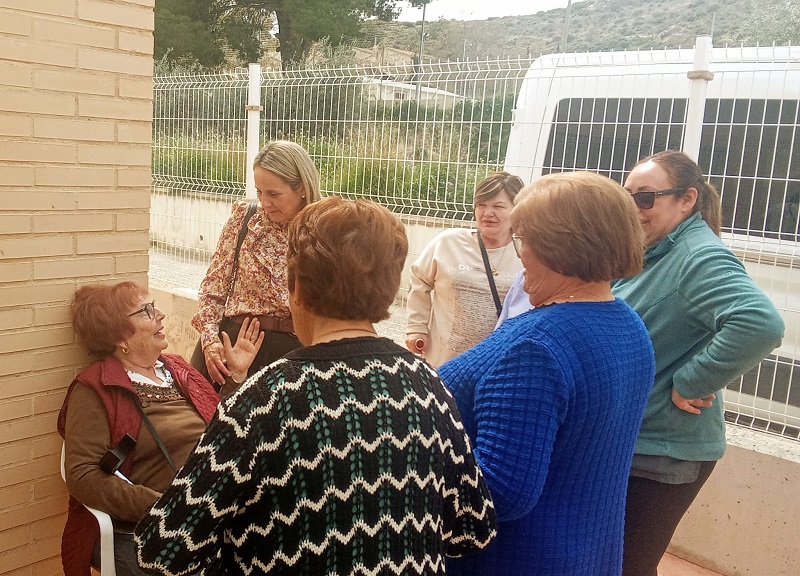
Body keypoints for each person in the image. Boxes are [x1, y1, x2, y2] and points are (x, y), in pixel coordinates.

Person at [136, 197, 498, 575]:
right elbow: (472, 530)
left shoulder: (260, 403)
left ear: (295, 286)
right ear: (391, 289)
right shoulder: (428, 386)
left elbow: (160, 549)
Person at [439, 172, 656, 576]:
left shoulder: (535, 348)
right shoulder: (628, 325)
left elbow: (499, 492)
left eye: (525, 239)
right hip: (586, 553)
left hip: (514, 560)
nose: (520, 254)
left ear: (562, 246)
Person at [613, 150, 785, 576]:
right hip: (639, 441)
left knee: (627, 567)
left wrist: (692, 380)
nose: (634, 207)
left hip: (664, 453)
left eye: (646, 197)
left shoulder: (697, 256)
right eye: (626, 196)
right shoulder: (656, 251)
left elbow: (760, 323)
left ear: (687, 199)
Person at [57, 281, 263, 576]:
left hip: (213, 512)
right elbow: (82, 475)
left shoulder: (177, 370)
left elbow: (221, 427)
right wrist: (163, 505)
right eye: (146, 311)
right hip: (151, 530)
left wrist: (237, 377)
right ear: (119, 336)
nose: (161, 315)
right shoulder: (95, 388)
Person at [190, 140, 321, 389]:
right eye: (259, 191)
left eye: (273, 194)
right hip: (233, 347)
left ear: (302, 188)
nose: (264, 202)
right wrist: (210, 342)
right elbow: (212, 290)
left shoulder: (323, 229)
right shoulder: (246, 218)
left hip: (293, 356)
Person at [405, 171, 524, 367]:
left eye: (498, 206)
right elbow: (419, 278)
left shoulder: (526, 253)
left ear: (517, 209)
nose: (487, 213)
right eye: (481, 205)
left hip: (495, 365)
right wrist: (417, 328)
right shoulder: (448, 242)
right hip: (444, 363)